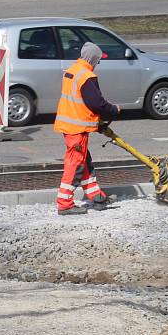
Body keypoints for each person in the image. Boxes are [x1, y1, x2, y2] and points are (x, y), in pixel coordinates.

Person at [53, 42, 120, 215]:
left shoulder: (72, 70)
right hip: (77, 126)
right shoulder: (87, 76)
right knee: (75, 164)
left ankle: (97, 197)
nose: (98, 63)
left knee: (84, 162)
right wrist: (114, 110)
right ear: (94, 58)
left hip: (69, 124)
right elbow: (96, 104)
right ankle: (64, 204)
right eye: (98, 60)